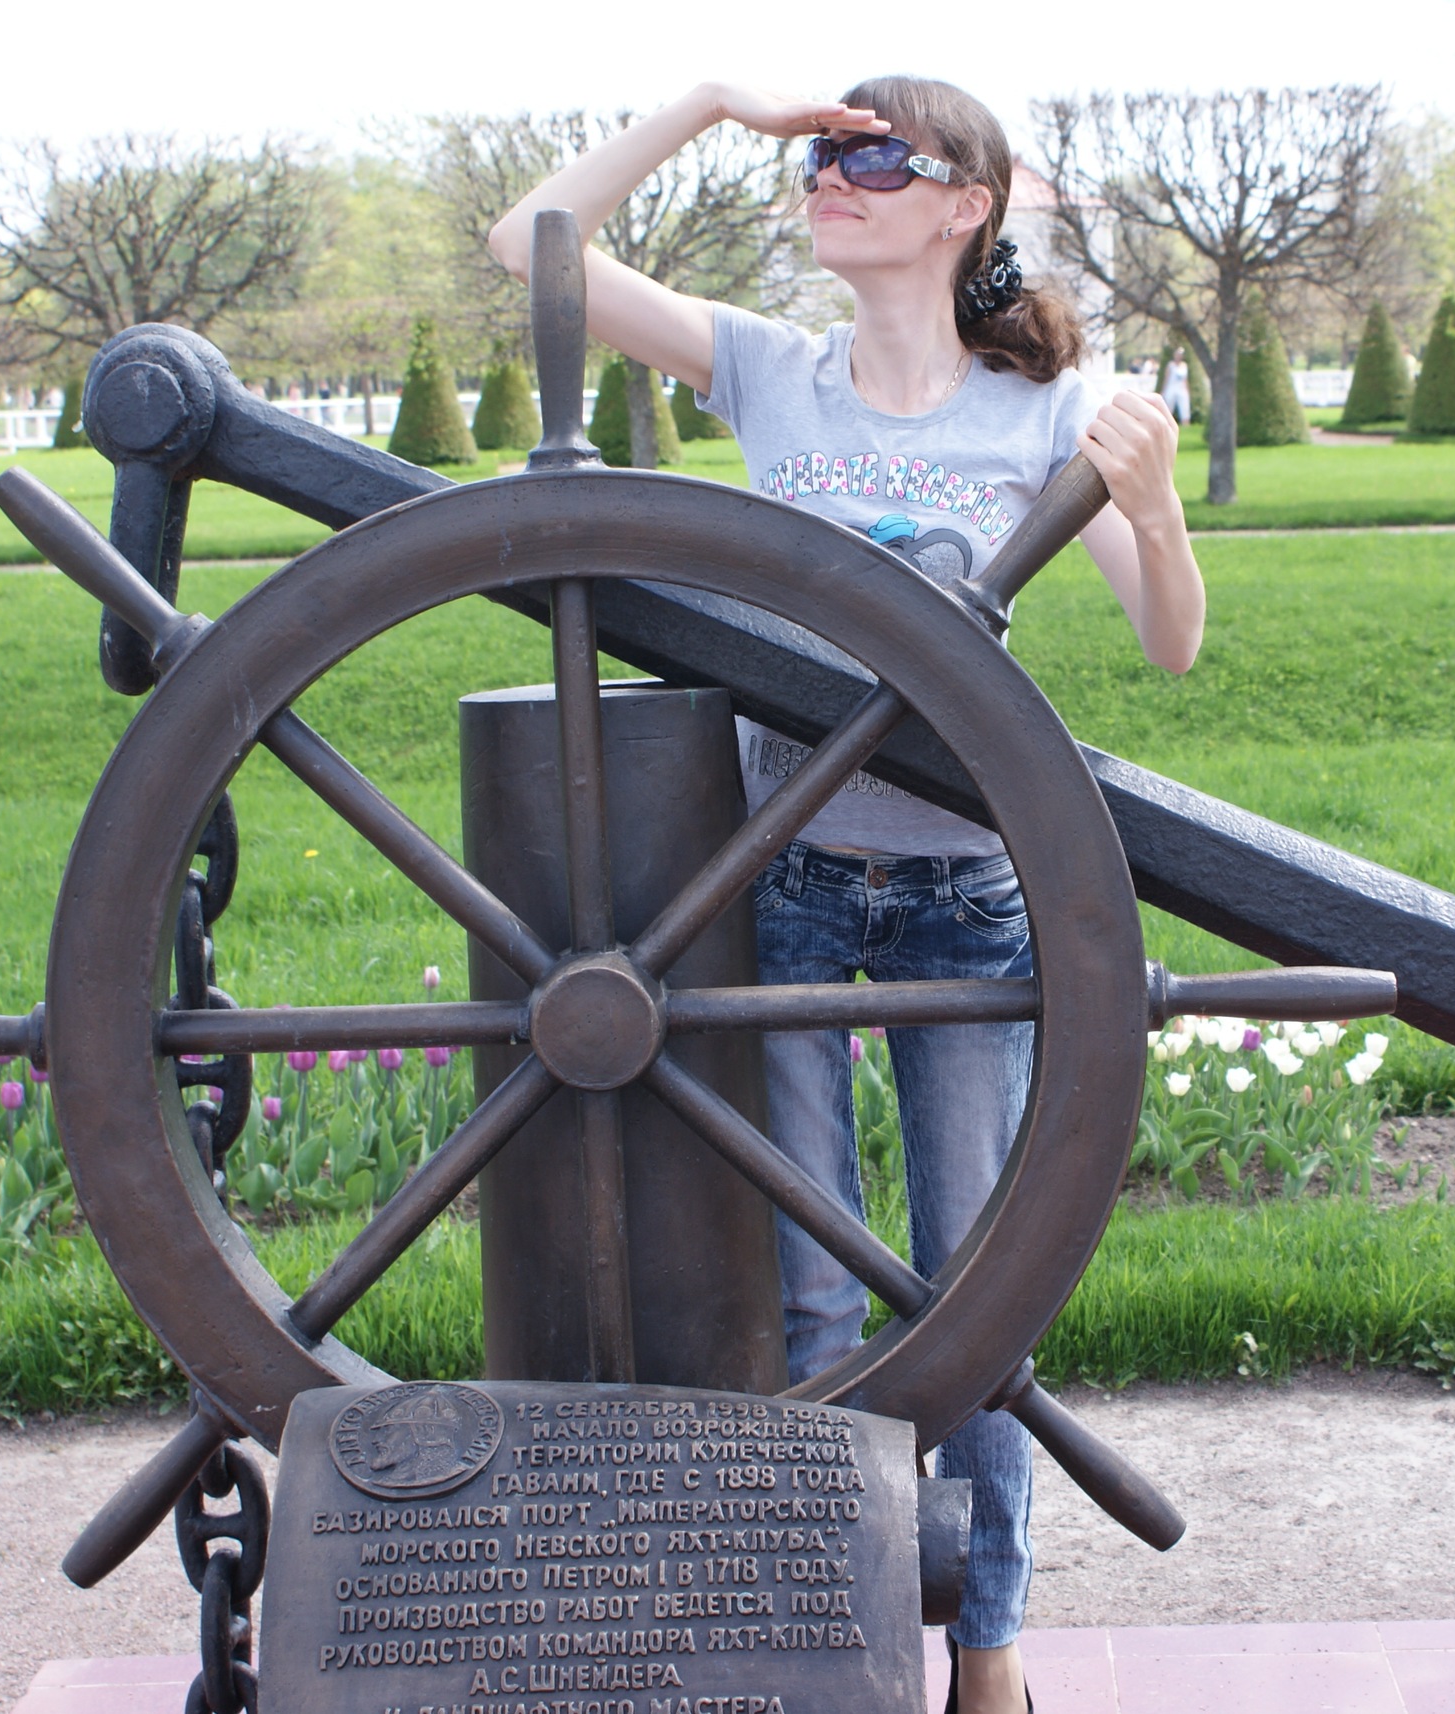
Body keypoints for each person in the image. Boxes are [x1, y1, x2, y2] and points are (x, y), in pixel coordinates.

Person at [490, 76, 1204, 1714]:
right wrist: (707, 105)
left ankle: (987, 1640)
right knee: (816, 1293)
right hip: (787, 881)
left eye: (875, 156)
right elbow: (530, 244)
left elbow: (1172, 644)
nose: (832, 174)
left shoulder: (1050, 411)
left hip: (972, 895)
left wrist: (1157, 503)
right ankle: (849, 1641)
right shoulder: (770, 373)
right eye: (821, 153)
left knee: (980, 1290)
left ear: (966, 203)